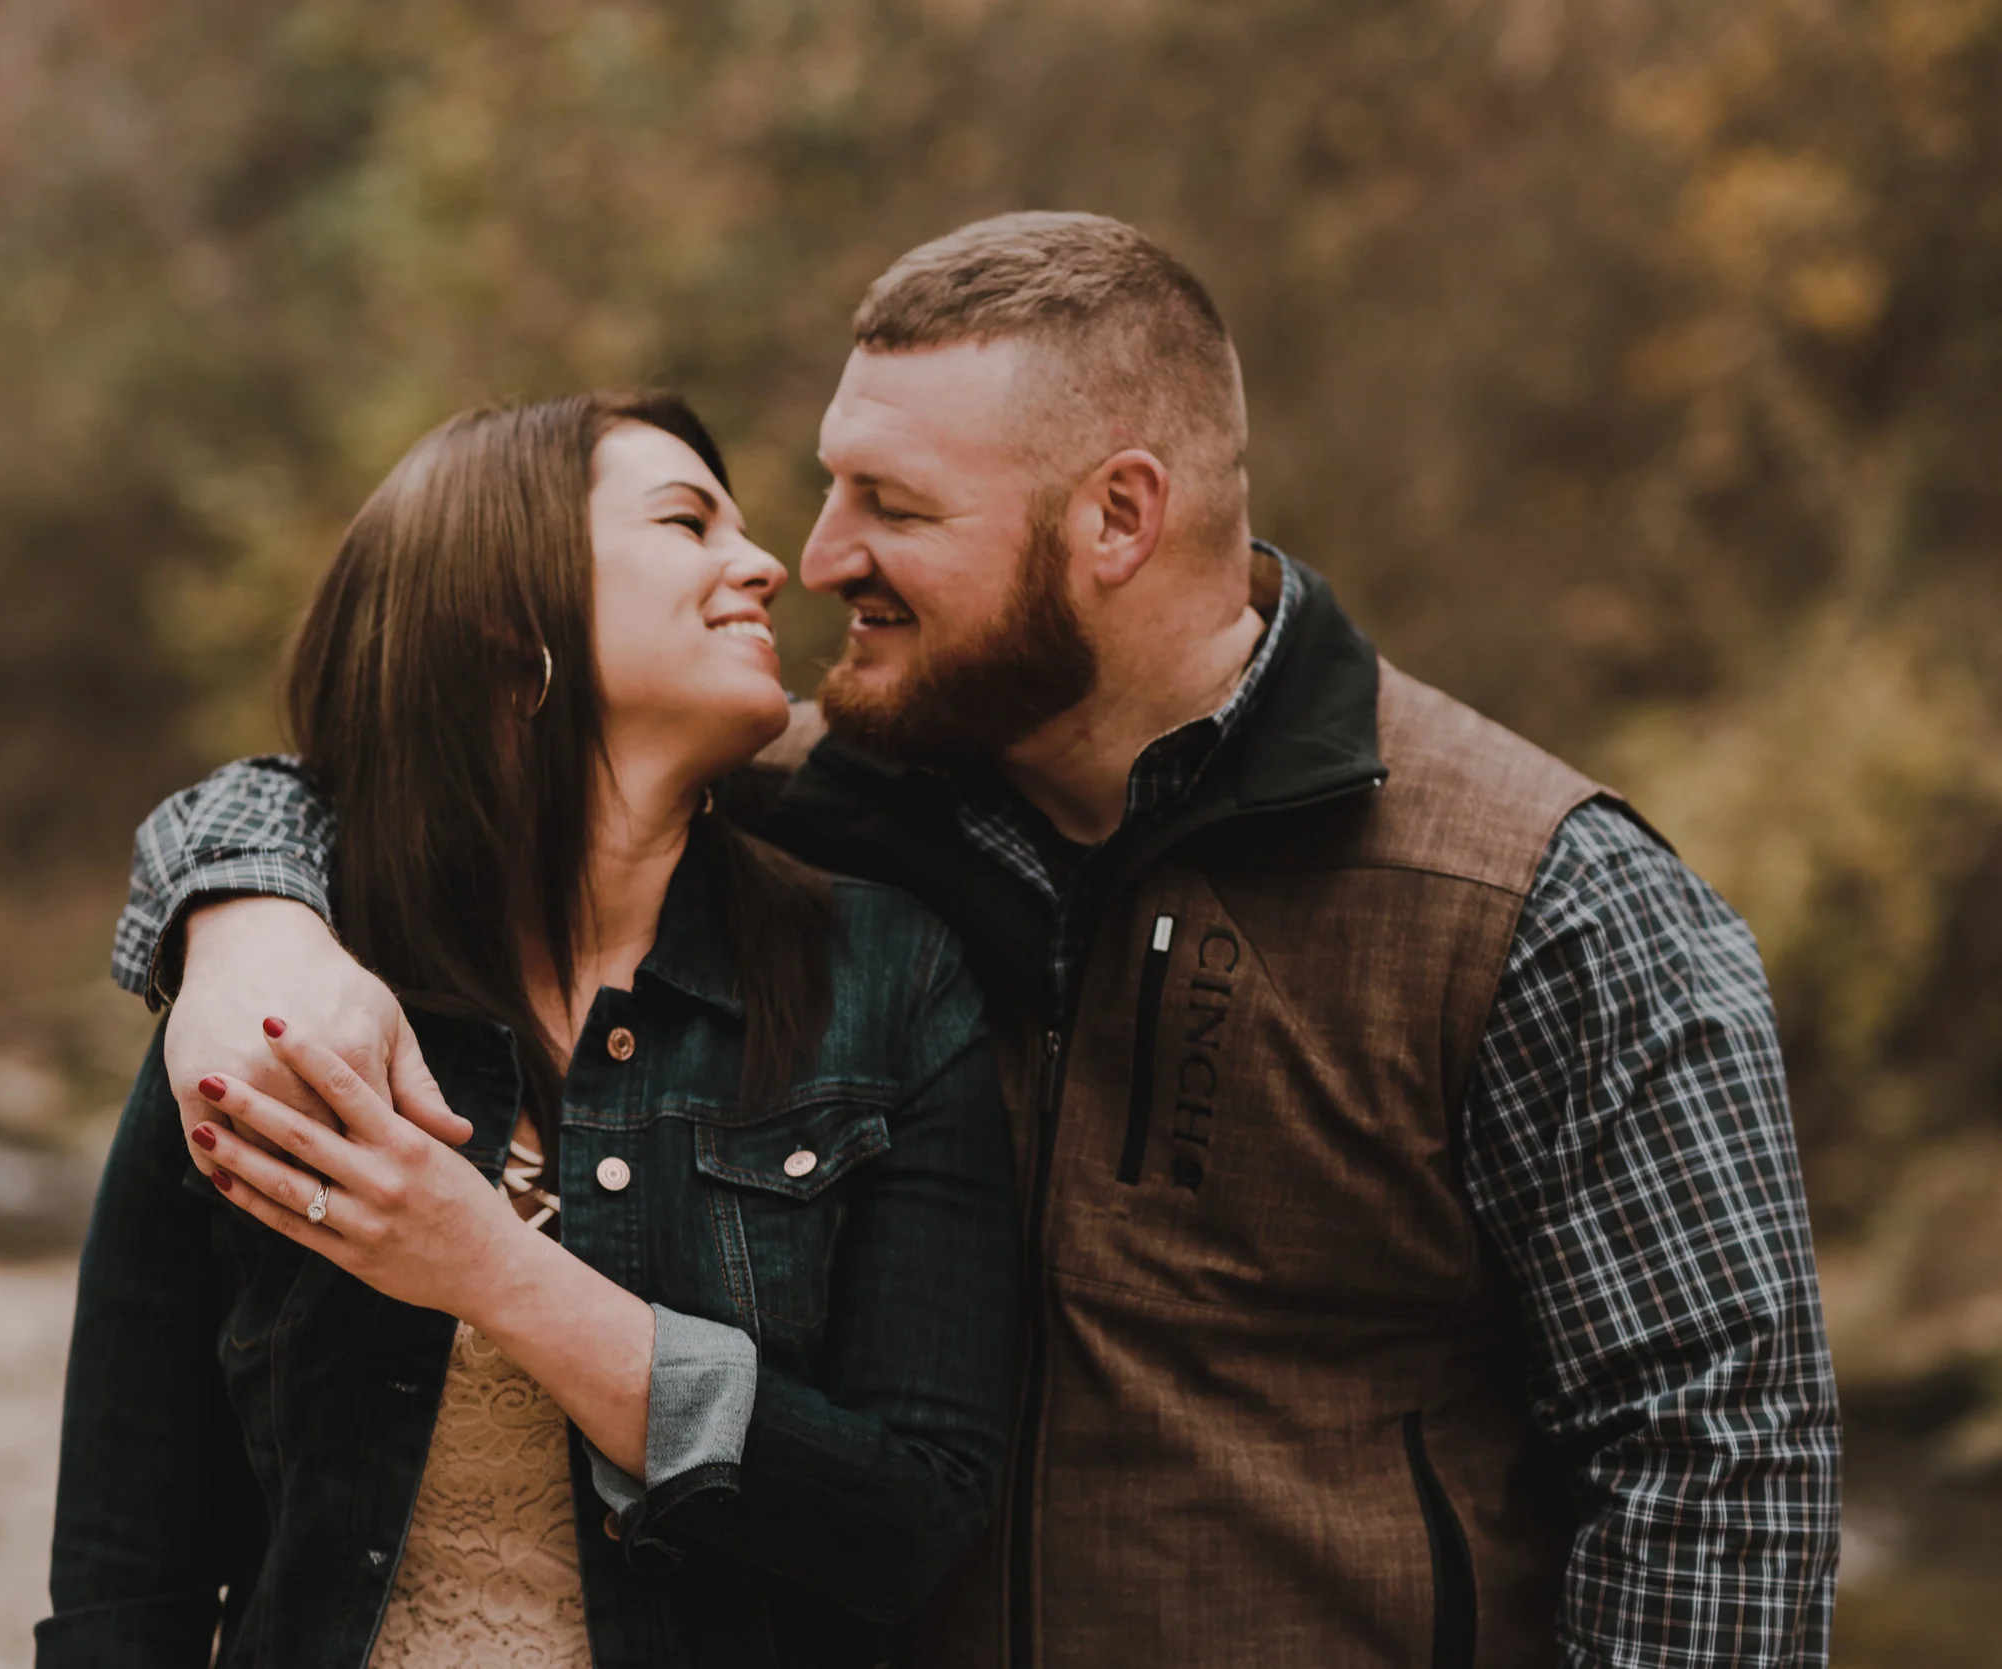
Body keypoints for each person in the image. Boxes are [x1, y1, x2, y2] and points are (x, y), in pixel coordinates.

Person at [115, 215, 1842, 1668]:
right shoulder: (813, 802)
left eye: (894, 504)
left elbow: (1720, 1463)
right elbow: (421, 778)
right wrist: (243, 911)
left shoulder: (1543, 902)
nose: (819, 553)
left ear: (1116, 517)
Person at [37, 392, 1021, 1669]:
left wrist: (490, 1268)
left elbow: (909, 1517)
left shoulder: (884, 971)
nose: (769, 561)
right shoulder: (287, 977)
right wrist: (235, 925)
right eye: (688, 520)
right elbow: (129, 1570)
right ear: (512, 626)